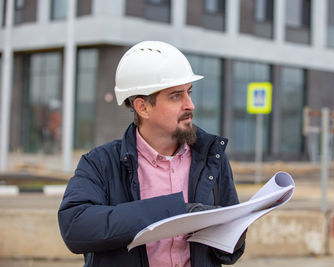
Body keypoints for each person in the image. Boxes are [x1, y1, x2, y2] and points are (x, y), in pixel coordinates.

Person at [58, 41, 245, 267]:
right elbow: (75, 227)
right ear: (142, 107)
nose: (190, 105)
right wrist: (175, 212)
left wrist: (235, 234)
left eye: (189, 92)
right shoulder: (99, 163)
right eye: (176, 96)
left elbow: (229, 253)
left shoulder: (211, 159)